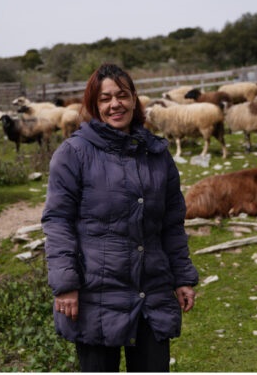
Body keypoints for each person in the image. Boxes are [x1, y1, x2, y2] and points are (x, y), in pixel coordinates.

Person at [42, 63, 199, 372]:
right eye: (105, 98)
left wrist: (182, 277)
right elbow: (58, 221)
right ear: (94, 105)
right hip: (97, 296)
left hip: (151, 293)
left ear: (134, 99)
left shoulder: (157, 154)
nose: (115, 104)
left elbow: (171, 224)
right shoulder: (74, 153)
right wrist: (65, 284)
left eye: (123, 95)